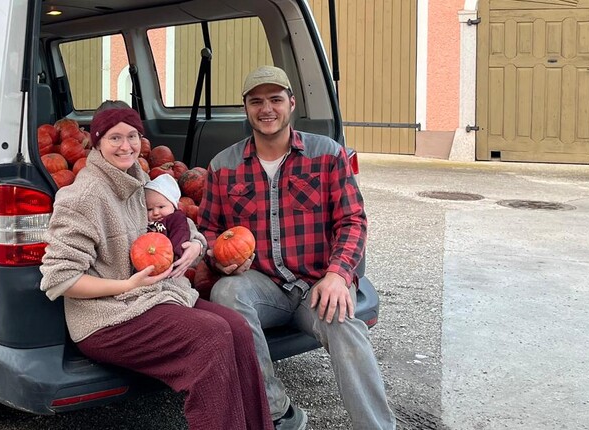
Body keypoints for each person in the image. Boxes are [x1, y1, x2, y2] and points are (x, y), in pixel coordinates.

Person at [40, 102, 273, 430]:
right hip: (107, 317)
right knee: (212, 336)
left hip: (152, 298)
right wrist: (128, 285)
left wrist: (196, 245)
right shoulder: (83, 197)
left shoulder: (137, 182)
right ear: (96, 142)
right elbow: (59, 279)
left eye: (132, 136)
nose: (126, 146)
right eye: (115, 138)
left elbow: (169, 224)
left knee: (236, 327)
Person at [198, 66, 396, 430]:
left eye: (275, 99)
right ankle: (278, 411)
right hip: (264, 287)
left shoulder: (327, 154)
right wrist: (218, 255)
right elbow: (209, 228)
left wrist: (339, 275)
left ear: (291, 103)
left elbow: (352, 221)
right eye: (256, 101)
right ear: (246, 109)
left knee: (345, 326)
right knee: (227, 291)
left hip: (318, 284)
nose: (266, 109)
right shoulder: (222, 166)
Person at [144, 174, 190, 259]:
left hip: (169, 260)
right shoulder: (145, 223)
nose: (155, 212)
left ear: (173, 205)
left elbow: (179, 236)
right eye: (149, 209)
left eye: (161, 207)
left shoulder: (176, 219)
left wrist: (174, 256)